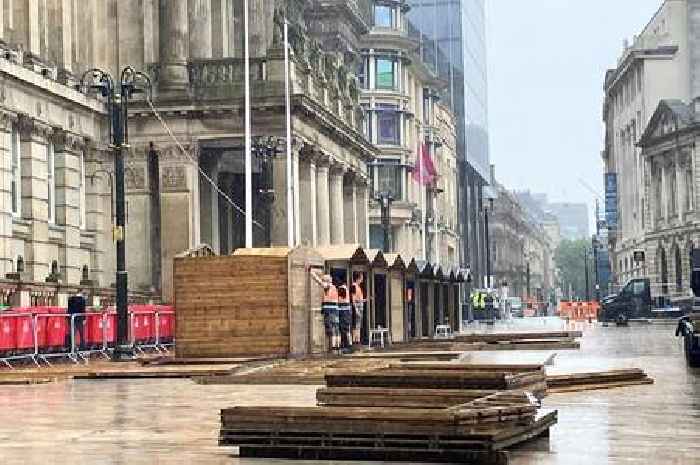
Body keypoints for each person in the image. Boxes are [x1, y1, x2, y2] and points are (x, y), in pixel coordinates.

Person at [311, 271, 340, 353]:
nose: (323, 281)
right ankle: (337, 347)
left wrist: (313, 274)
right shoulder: (334, 287)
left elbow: (320, 282)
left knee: (330, 329)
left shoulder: (328, 286)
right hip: (335, 309)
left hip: (329, 310)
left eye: (324, 280)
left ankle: (333, 347)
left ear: (327, 281)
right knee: (336, 328)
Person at [350, 272, 365, 345]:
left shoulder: (358, 287)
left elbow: (358, 298)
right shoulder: (354, 286)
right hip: (357, 307)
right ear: (358, 278)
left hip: (360, 306)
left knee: (358, 324)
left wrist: (364, 300)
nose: (362, 279)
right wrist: (355, 308)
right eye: (361, 277)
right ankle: (355, 340)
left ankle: (357, 339)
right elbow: (353, 298)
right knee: (356, 324)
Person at [337, 284, 352, 353]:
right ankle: (348, 345)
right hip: (346, 313)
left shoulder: (339, 298)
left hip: (342, 314)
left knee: (342, 330)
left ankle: (344, 346)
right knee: (346, 330)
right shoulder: (346, 296)